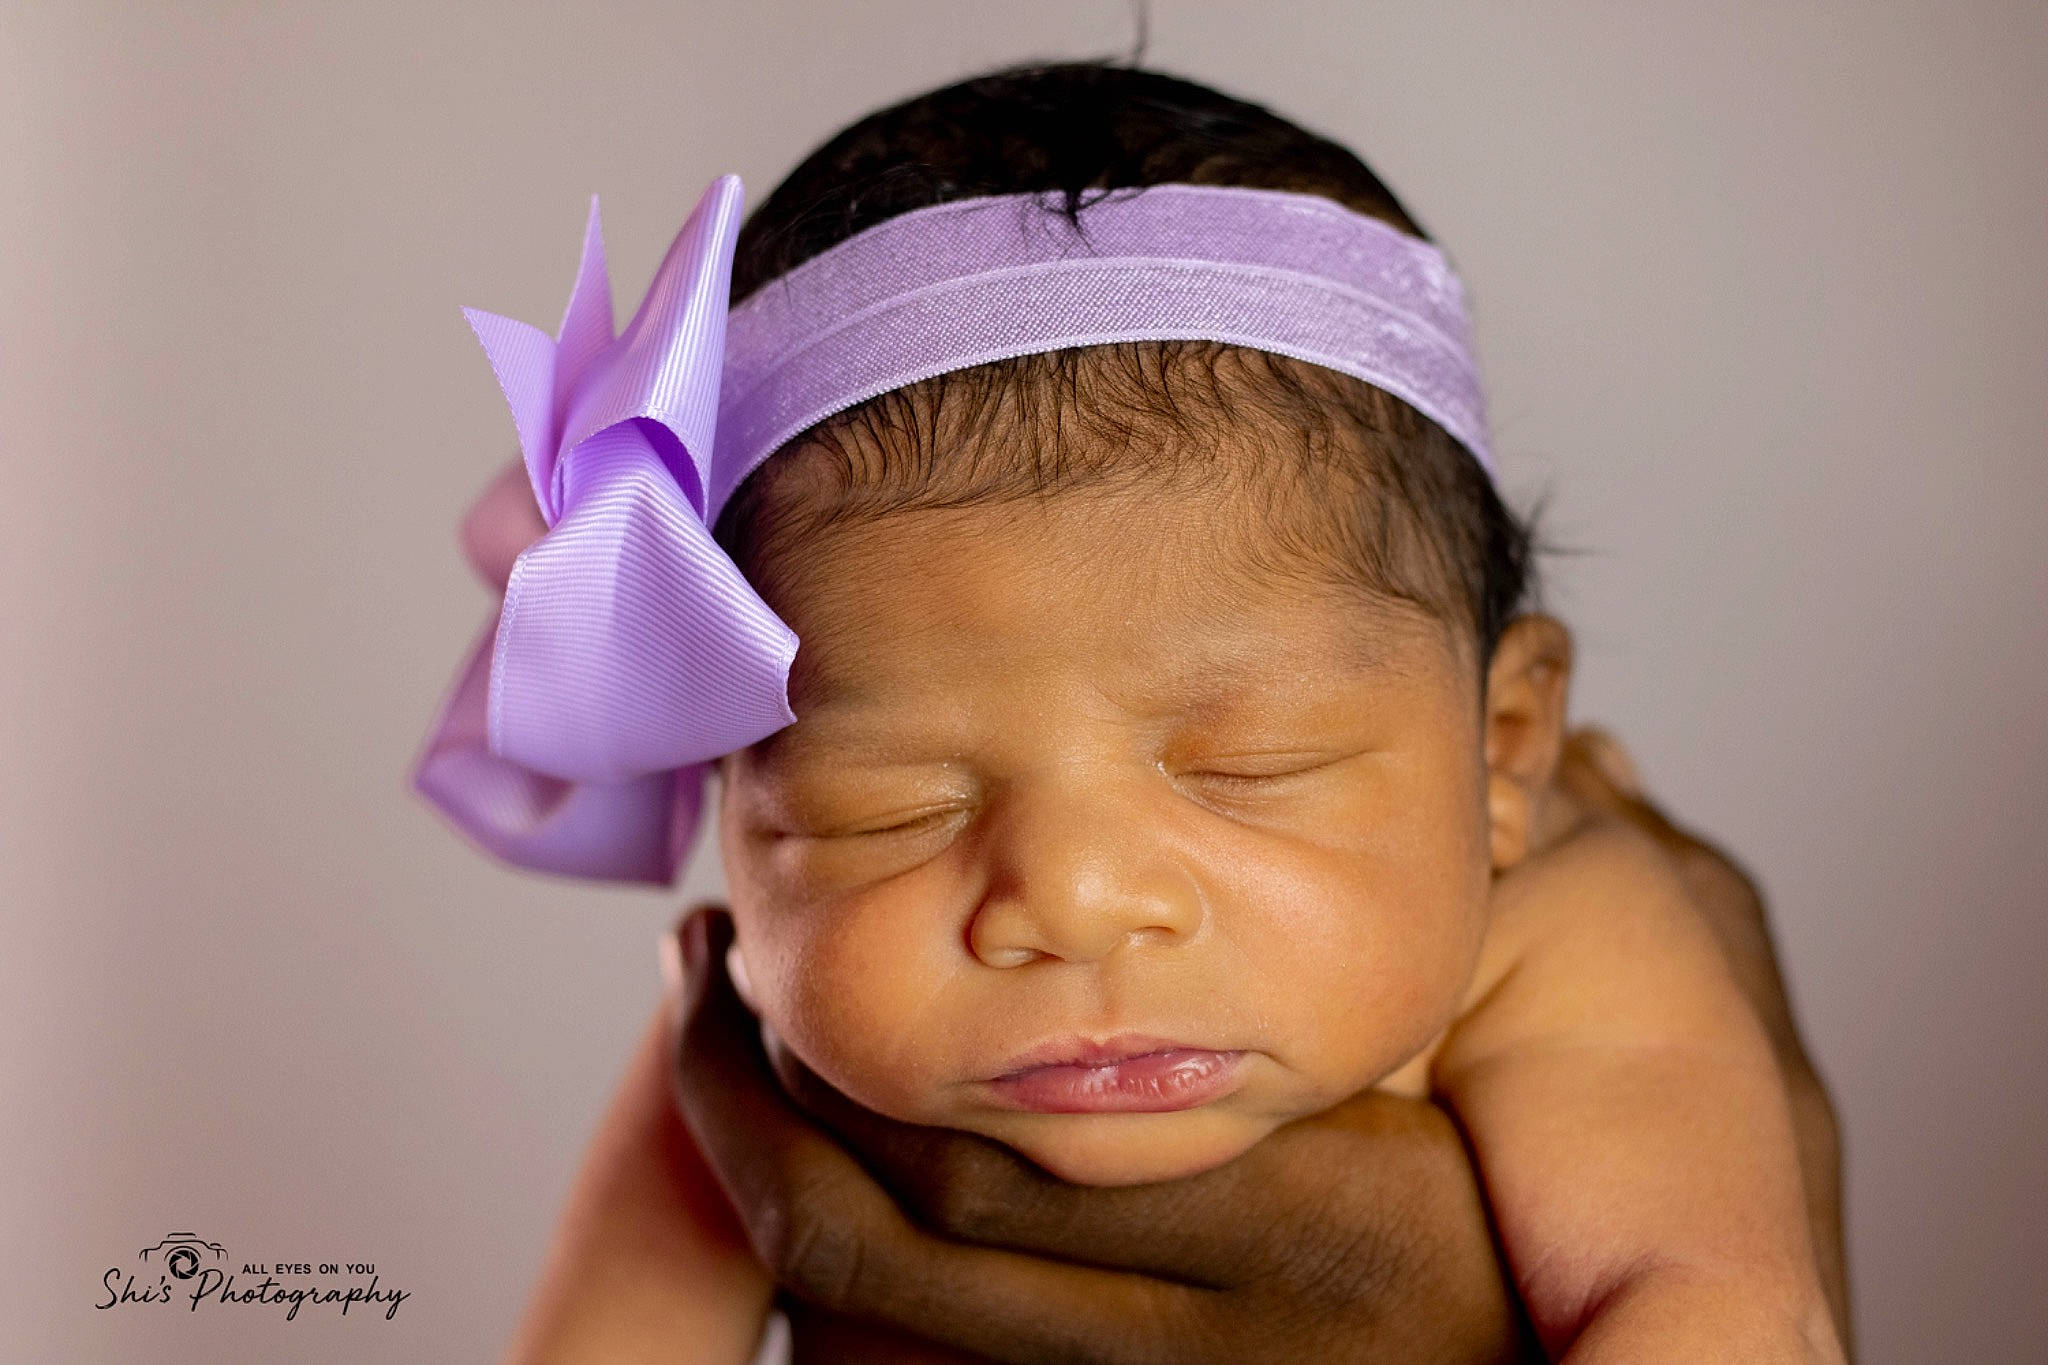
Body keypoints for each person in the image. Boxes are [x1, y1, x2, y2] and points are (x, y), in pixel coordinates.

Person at [413, 62, 1849, 1362]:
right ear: (731, 788)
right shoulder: (740, 1064)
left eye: (1254, 764)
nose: (1076, 902)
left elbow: (1719, 1310)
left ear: (1502, 749)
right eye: (888, 806)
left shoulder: (1556, 947)